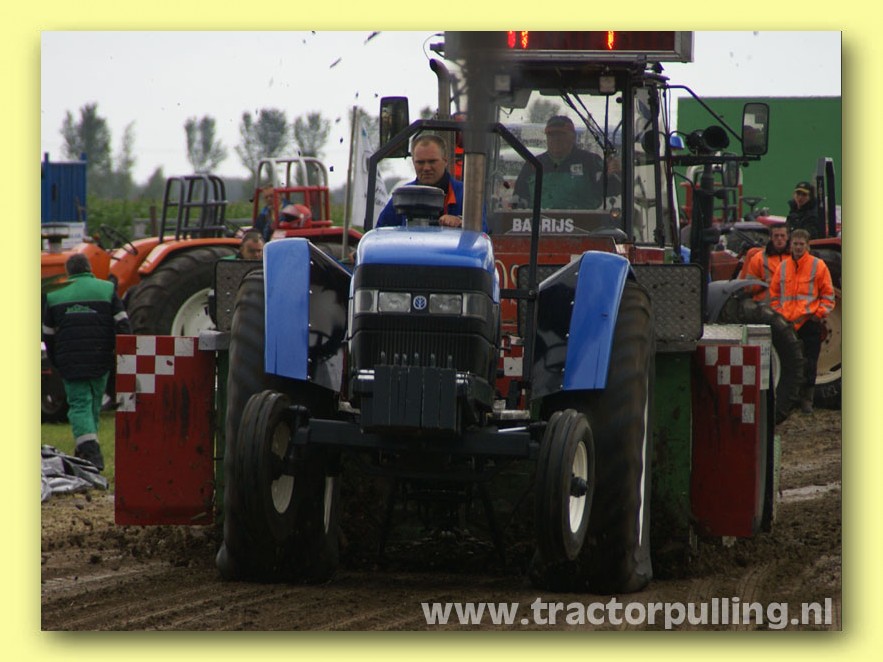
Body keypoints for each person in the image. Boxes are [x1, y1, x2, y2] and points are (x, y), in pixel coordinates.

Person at [42, 254, 132, 471]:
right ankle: (85, 449)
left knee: (80, 405)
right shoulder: (107, 289)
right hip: (101, 357)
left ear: (69, 271)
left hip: (70, 359)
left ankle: (91, 454)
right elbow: (123, 325)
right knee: (92, 404)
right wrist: (120, 355)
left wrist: (56, 360)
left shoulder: (54, 294)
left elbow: (48, 334)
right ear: (89, 268)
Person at [770, 228, 835, 414]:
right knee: (789, 362)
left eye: (801, 244)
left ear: (807, 246)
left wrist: (818, 315)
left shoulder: (818, 265)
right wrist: (779, 314)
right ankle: (792, 399)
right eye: (795, 244)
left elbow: (828, 295)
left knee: (809, 362)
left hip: (809, 321)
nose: (798, 247)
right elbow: (774, 294)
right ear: (791, 245)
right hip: (787, 323)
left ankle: (807, 399)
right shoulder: (783, 267)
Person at [513, 115, 620, 210]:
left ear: (573, 137)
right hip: (539, 225)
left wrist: (613, 175)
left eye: (561, 134)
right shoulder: (533, 164)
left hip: (584, 224)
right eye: (551, 135)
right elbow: (518, 199)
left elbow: (610, 191)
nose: (556, 139)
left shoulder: (590, 161)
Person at [376, 134, 477, 230]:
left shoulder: (467, 196)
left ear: (445, 161)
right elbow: (379, 234)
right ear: (413, 162)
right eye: (420, 162)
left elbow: (481, 231)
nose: (426, 168)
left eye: (432, 161)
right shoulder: (402, 196)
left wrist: (460, 222)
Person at [739, 225, 790, 303]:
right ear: (771, 238)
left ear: (787, 237)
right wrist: (763, 283)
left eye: (782, 236)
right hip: (766, 305)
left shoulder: (797, 257)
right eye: (776, 236)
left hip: (791, 305)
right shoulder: (758, 258)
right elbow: (748, 286)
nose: (779, 238)